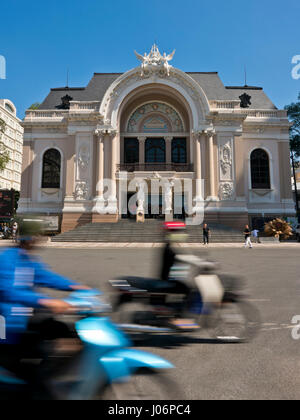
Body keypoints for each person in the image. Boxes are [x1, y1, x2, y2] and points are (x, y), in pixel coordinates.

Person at [0, 218, 91, 386]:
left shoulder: (29, 260)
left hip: (25, 316)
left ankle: (49, 377)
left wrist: (76, 286)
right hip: (9, 323)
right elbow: (9, 291)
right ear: (27, 238)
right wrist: (46, 301)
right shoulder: (8, 259)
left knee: (67, 332)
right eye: (36, 235)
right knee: (44, 345)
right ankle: (36, 383)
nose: (39, 239)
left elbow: (47, 277)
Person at [160, 221, 198, 331]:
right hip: (167, 279)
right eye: (176, 231)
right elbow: (178, 258)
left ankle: (177, 314)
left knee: (184, 287)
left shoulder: (168, 245)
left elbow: (178, 259)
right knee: (188, 290)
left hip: (168, 277)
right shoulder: (169, 248)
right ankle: (179, 317)